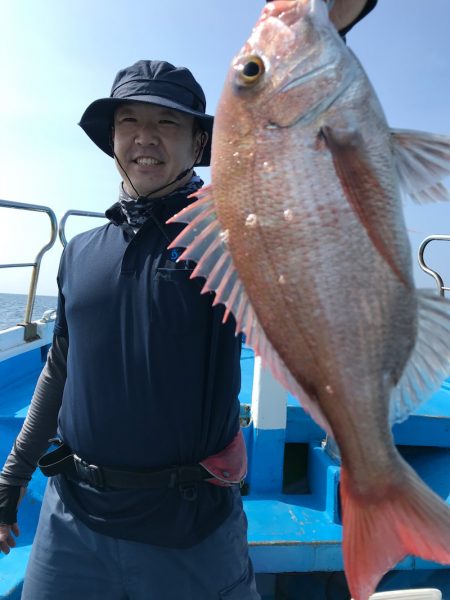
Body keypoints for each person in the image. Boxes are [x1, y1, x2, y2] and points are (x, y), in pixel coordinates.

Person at [0, 2, 377, 599]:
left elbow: (295, 163)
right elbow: (60, 368)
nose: (145, 138)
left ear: (201, 138)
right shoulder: (82, 250)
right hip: (71, 525)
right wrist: (13, 475)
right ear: (113, 137)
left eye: (168, 123)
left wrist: (319, 34)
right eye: (130, 121)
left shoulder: (231, 233)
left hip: (190, 532)